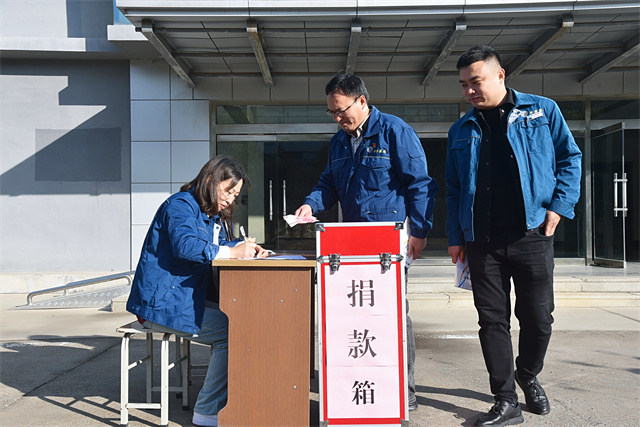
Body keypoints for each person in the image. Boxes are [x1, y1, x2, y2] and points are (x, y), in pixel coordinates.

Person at [446, 45, 582, 426]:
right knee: (492, 321)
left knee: (539, 318)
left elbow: (570, 159)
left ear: (500, 75)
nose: (469, 91)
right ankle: (505, 400)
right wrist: (455, 236)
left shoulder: (541, 111)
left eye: (476, 81)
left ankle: (528, 373)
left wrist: (559, 207)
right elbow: (454, 188)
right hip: (481, 240)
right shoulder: (461, 130)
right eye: (464, 85)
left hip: (532, 232)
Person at [295, 72, 439, 411]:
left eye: (342, 110)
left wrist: (419, 232)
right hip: (350, 242)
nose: (337, 118)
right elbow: (328, 183)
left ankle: (403, 389)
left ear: (362, 101)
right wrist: (311, 204)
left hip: (387, 242)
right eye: (332, 112)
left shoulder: (394, 131)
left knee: (392, 312)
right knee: (356, 312)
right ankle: (359, 383)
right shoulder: (339, 142)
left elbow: (420, 184)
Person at [126, 154, 268, 427]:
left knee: (244, 319)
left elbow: (219, 245)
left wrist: (246, 247)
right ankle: (207, 411)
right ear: (210, 180)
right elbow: (186, 246)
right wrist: (232, 252)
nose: (231, 200)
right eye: (229, 191)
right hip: (160, 304)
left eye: (235, 195)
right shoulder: (180, 206)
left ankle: (227, 400)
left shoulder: (207, 213)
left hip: (181, 298)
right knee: (233, 331)